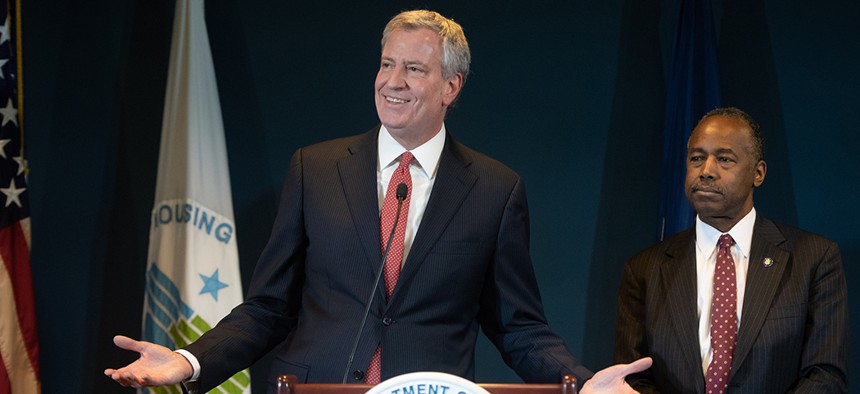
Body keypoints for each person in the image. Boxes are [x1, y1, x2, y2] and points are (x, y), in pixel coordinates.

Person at [106, 9, 651, 393]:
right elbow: (268, 307)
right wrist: (188, 360)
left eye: (415, 68)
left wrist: (580, 385)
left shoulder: (494, 189)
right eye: (387, 63)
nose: (393, 81)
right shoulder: (314, 169)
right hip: (314, 388)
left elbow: (518, 326)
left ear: (451, 87)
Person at [613, 107, 848, 393]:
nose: (707, 171)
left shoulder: (814, 258)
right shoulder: (644, 269)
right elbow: (632, 377)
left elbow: (825, 374)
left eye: (724, 159)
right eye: (697, 158)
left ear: (758, 173)